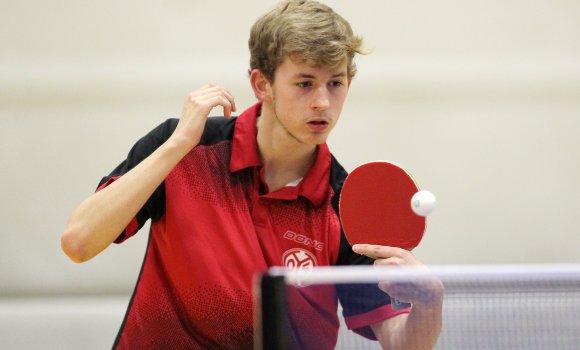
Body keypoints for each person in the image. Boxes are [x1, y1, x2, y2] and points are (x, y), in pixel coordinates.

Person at [61, 0, 443, 349]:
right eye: (305, 83)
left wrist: (428, 304)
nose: (323, 102)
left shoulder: (345, 205)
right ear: (263, 85)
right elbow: (78, 243)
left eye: (336, 83)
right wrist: (178, 146)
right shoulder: (184, 149)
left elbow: (400, 343)